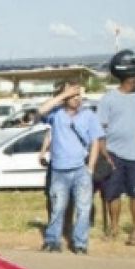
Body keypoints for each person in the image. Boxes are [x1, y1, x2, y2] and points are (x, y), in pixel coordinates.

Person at [36, 80, 104, 254]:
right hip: (59, 170)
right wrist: (63, 95)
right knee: (57, 207)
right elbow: (40, 111)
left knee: (83, 208)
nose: (76, 98)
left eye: (78, 95)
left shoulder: (89, 116)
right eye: (73, 95)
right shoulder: (56, 114)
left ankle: (80, 243)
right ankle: (53, 241)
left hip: (81, 170)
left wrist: (90, 167)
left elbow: (95, 142)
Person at [98, 50, 135, 245]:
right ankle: (114, 228)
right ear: (129, 76)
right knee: (112, 194)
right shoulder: (108, 99)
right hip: (113, 154)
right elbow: (100, 129)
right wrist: (104, 154)